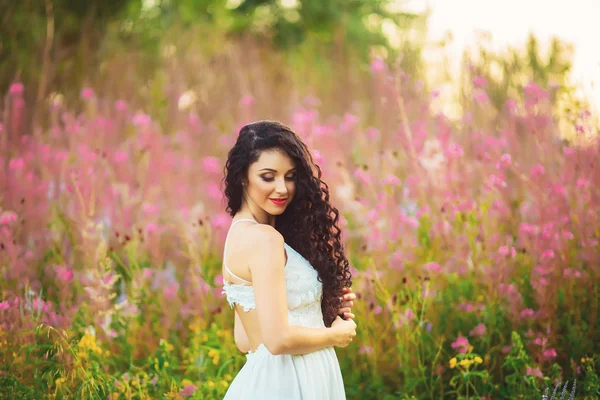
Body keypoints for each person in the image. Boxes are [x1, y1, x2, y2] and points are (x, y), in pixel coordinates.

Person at [220, 120, 358, 399]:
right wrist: (336, 335)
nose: (282, 189)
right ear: (243, 177)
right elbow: (278, 339)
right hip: (290, 382)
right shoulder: (264, 240)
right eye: (268, 177)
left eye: (290, 176)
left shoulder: (239, 235)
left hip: (274, 378)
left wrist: (318, 309)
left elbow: (246, 339)